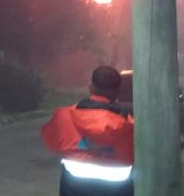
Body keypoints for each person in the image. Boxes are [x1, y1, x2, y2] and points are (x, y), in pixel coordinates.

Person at [41, 66, 134, 196]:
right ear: (118, 92)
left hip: (74, 188)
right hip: (118, 189)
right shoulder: (129, 125)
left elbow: (51, 142)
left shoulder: (64, 117)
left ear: (91, 87)